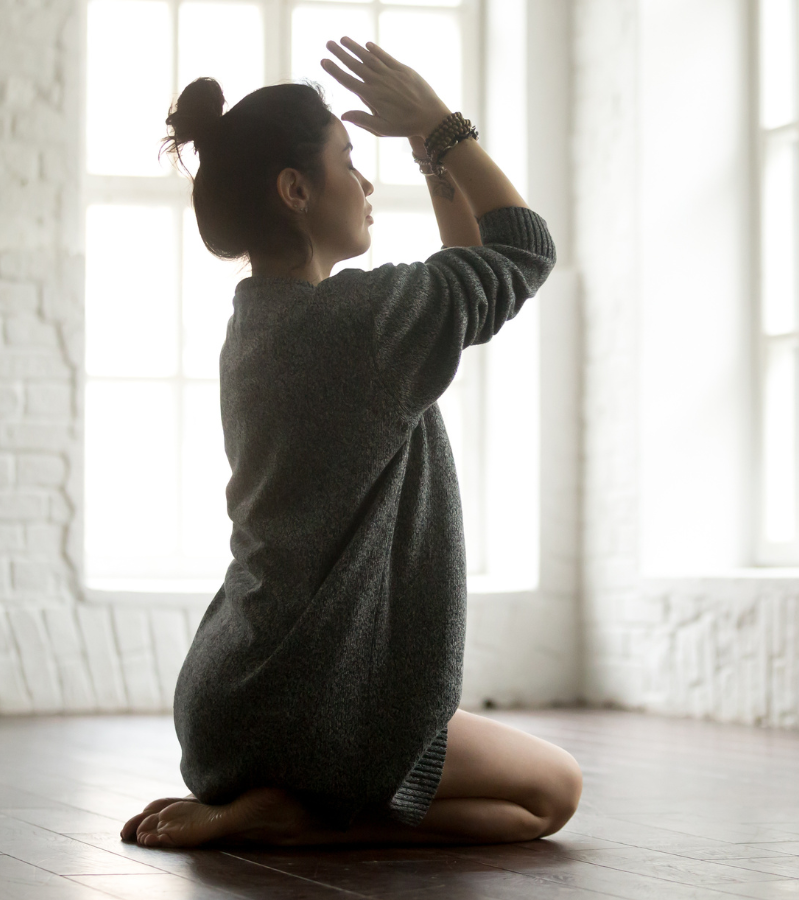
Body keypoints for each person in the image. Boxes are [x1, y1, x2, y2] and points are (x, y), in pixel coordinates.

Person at [119, 37, 581, 849]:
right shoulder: (364, 325)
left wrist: (430, 161)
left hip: (227, 707)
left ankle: (302, 805)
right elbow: (523, 251)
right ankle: (310, 813)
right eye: (348, 161)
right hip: (323, 703)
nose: (368, 184)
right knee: (554, 794)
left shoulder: (258, 325)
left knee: (516, 804)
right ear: (295, 189)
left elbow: (465, 271)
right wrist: (440, 127)